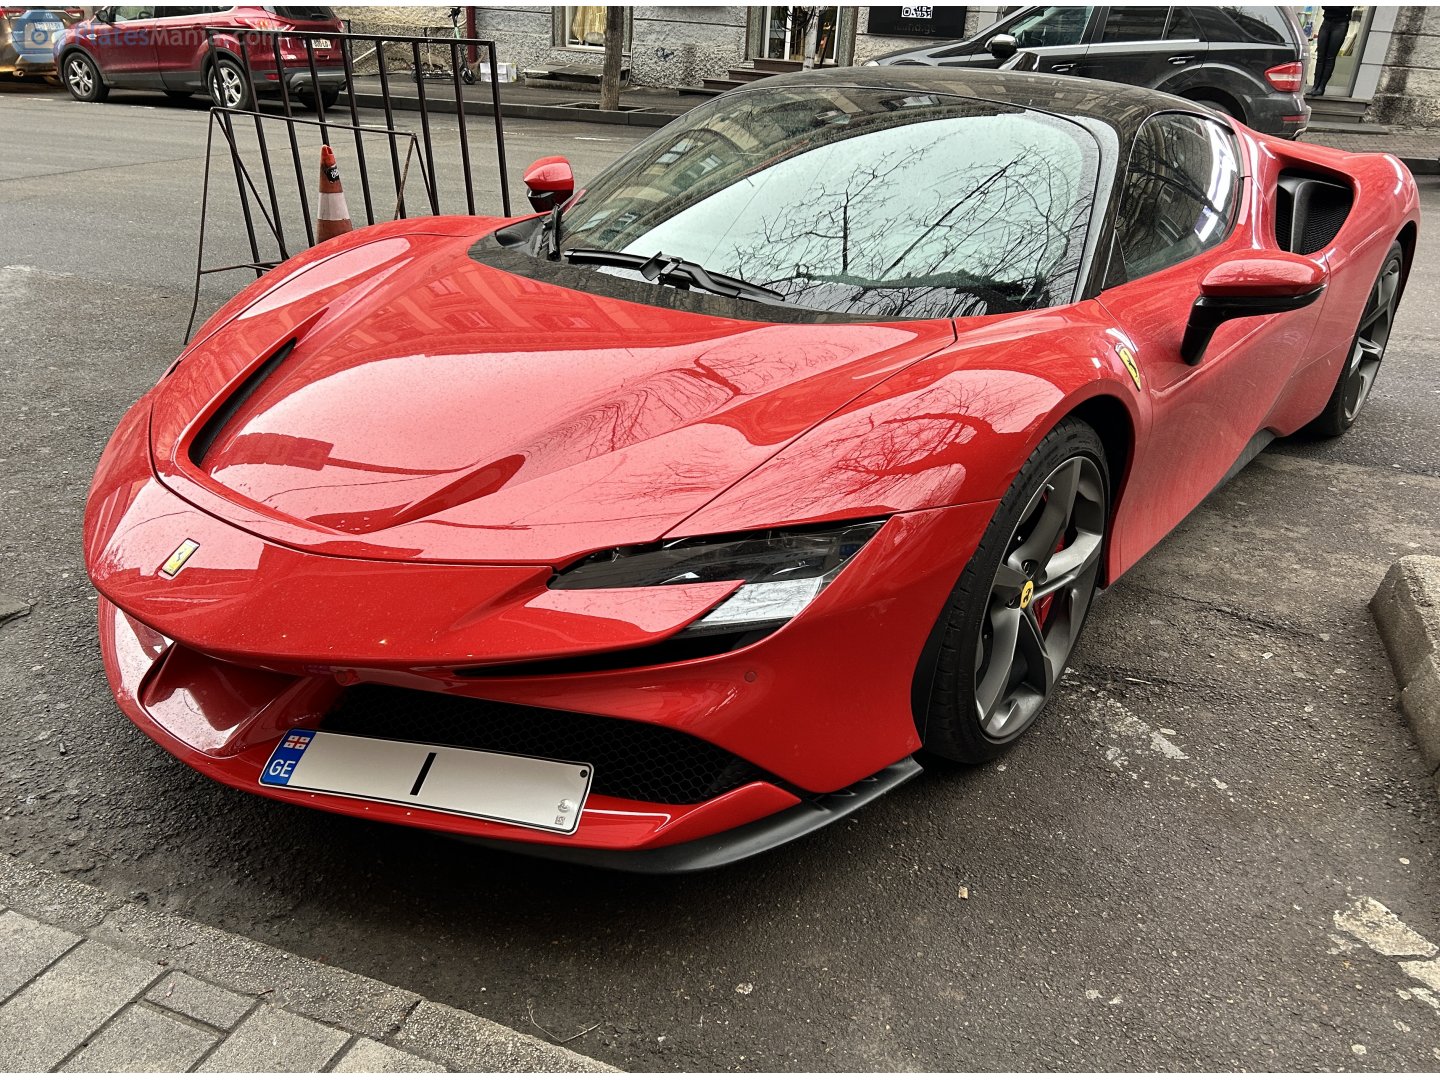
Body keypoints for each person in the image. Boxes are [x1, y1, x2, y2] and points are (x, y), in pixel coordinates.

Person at [1310, 6, 1354, 96]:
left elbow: (1346, 8)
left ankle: (1321, 87)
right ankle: (1315, 86)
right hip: (1326, 22)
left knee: (1330, 57)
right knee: (1320, 56)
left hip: (1341, 24)